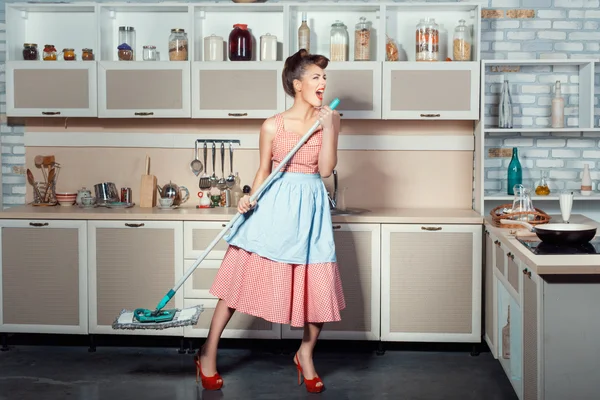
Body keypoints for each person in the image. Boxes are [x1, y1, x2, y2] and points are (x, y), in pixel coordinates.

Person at [193, 49, 346, 394]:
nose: (323, 83)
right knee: (238, 284)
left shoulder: (330, 118)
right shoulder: (272, 125)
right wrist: (250, 196)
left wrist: (331, 126)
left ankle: (305, 353)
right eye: (316, 77)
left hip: (310, 208)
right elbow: (264, 170)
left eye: (324, 77)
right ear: (297, 84)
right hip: (272, 207)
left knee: (316, 285)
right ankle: (207, 354)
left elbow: (325, 170)